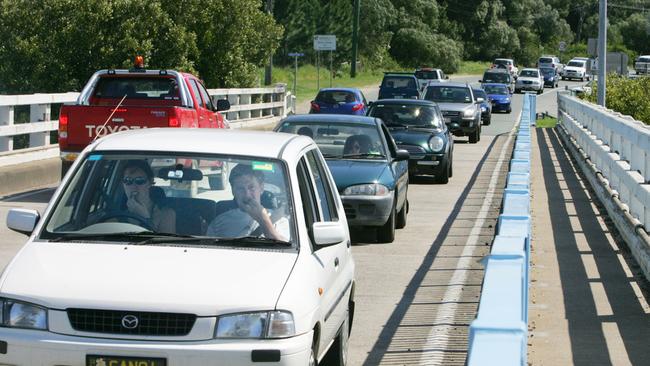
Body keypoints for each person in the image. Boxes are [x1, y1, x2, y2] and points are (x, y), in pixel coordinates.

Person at [206, 164, 289, 241]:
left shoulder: (279, 220)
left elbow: (286, 252)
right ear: (233, 191)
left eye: (251, 187)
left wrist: (263, 220)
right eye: (240, 189)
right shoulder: (219, 223)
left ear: (261, 188)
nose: (247, 195)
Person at [121, 160, 176, 233]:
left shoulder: (166, 214)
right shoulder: (116, 215)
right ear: (123, 184)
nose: (133, 186)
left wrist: (145, 218)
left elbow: (164, 243)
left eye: (139, 180)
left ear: (150, 182)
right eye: (128, 180)